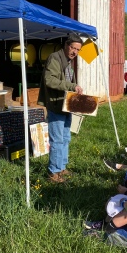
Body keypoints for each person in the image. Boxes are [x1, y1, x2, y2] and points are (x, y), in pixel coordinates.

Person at [37, 34, 84, 183]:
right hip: (55, 105)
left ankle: (62, 167)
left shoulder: (68, 62)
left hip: (65, 105)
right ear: (66, 45)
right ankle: (53, 172)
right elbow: (50, 80)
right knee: (57, 140)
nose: (75, 52)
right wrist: (72, 86)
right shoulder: (55, 58)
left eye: (78, 50)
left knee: (65, 138)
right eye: (73, 48)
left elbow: (69, 81)